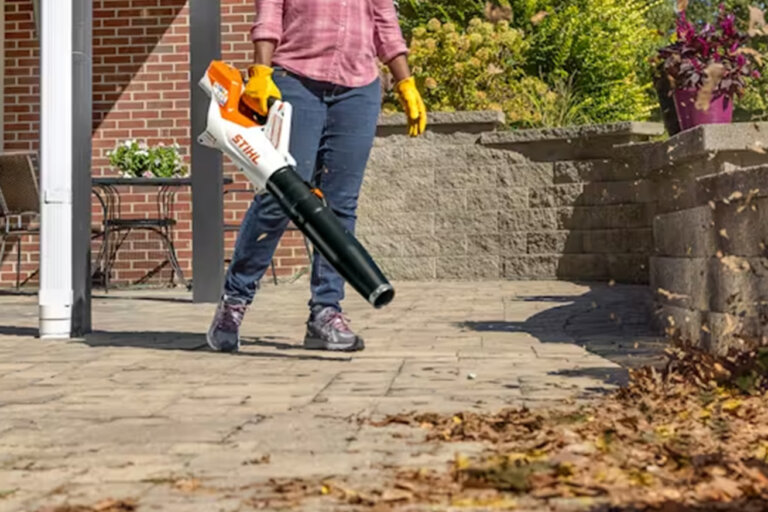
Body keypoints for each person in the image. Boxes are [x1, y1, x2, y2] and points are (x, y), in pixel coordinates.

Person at [207, 0, 428, 353]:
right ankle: (234, 301)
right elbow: (269, 14)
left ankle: (325, 312)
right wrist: (261, 71)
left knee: (340, 206)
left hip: (358, 89)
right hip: (296, 81)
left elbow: (385, 22)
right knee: (278, 197)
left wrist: (405, 81)